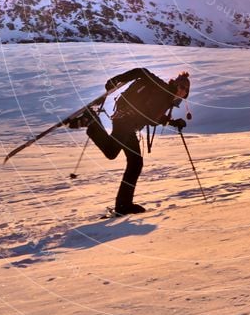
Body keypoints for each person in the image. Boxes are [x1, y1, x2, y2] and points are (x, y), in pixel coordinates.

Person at [69, 68, 191, 215]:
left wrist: (172, 122)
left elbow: (151, 116)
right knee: (115, 153)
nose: (182, 90)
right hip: (125, 120)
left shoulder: (167, 99)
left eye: (185, 89)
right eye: (181, 85)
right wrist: (117, 79)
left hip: (128, 124)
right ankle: (91, 121)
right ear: (175, 84)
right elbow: (141, 71)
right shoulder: (162, 87)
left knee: (134, 162)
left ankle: (124, 205)